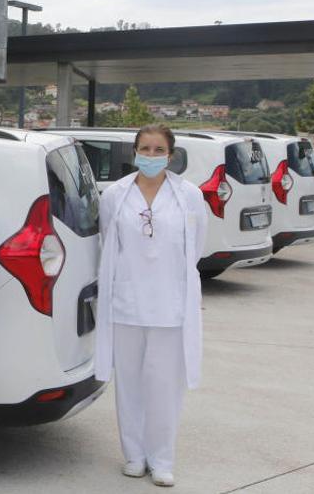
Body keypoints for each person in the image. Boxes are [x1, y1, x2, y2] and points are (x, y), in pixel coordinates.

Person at [95, 125, 206, 488]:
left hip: (170, 307)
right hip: (126, 303)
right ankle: (134, 454)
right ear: (134, 152)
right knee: (129, 384)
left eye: (159, 150)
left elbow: (197, 245)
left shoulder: (188, 196)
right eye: (145, 148)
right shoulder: (115, 195)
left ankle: (162, 459)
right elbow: (107, 240)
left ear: (170, 155)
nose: (152, 156)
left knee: (164, 387)